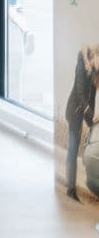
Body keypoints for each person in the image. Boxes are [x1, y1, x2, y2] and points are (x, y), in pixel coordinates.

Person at [65, 45, 99, 201]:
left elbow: (91, 99)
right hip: (74, 112)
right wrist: (90, 114)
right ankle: (71, 190)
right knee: (72, 150)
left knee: (79, 148)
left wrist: (92, 121)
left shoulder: (95, 74)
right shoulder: (81, 63)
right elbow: (80, 93)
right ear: (95, 55)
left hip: (83, 113)